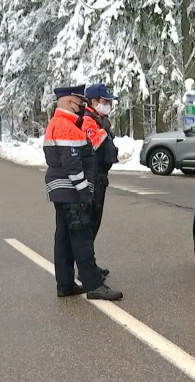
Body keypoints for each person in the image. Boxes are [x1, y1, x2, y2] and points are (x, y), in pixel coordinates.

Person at [43, 84, 123, 301]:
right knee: (81, 236)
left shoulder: (59, 122)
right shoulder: (66, 126)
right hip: (71, 190)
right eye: (80, 102)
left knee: (64, 237)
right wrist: (84, 192)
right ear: (70, 102)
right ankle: (94, 285)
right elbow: (72, 163)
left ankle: (65, 283)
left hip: (62, 189)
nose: (83, 106)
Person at [82, 83, 119, 277]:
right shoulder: (89, 120)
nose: (108, 105)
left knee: (94, 222)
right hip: (93, 177)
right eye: (105, 101)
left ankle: (90, 264)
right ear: (94, 101)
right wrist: (103, 131)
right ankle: (85, 268)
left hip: (100, 176)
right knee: (89, 223)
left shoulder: (99, 119)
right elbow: (92, 145)